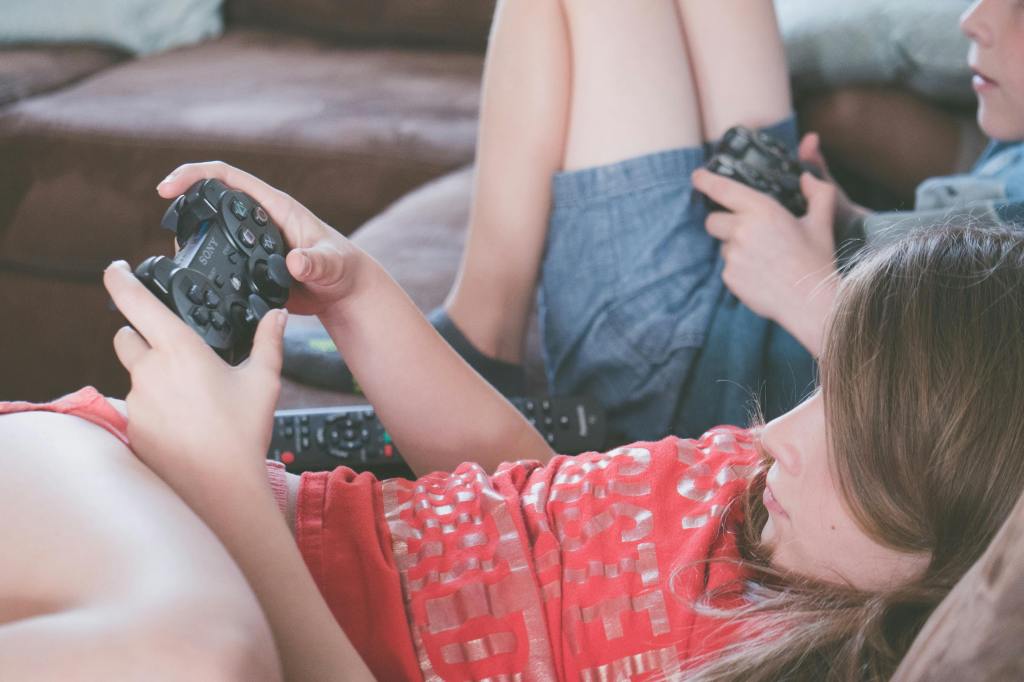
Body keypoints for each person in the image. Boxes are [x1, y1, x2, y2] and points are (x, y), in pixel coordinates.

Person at [3, 0, 1024, 679]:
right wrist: (361, 294)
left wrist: (223, 475)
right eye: (816, 392)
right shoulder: (757, 496)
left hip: (213, 535)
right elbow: (518, 494)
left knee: (198, 649)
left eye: (841, 436)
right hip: (159, 500)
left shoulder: (769, 643)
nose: (771, 434)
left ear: (951, 538)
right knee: (194, 643)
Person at [302, 0, 1024, 445]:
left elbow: (978, 414)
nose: (974, 19)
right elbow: (962, 265)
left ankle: (482, 334)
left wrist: (806, 291)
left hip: (704, 378)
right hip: (777, 260)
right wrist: (849, 220)